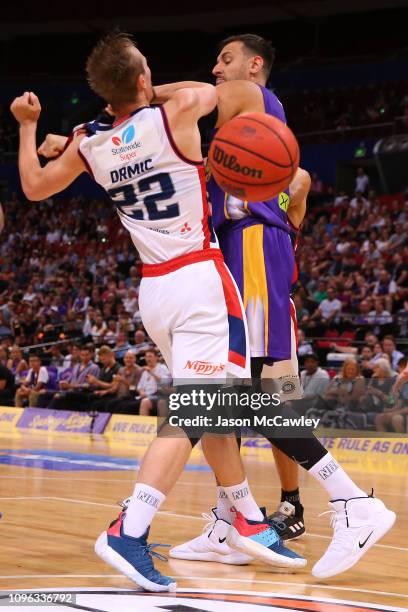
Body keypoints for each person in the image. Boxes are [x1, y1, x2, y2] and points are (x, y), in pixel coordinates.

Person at [30, 32, 395, 582]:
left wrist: (125, 109)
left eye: (226, 60)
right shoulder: (188, 122)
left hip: (247, 255)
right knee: (234, 398)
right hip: (217, 261)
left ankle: (316, 505)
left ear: (253, 66)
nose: (215, 68)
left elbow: (293, 176)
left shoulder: (251, 102)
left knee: (251, 396)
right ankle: (244, 517)